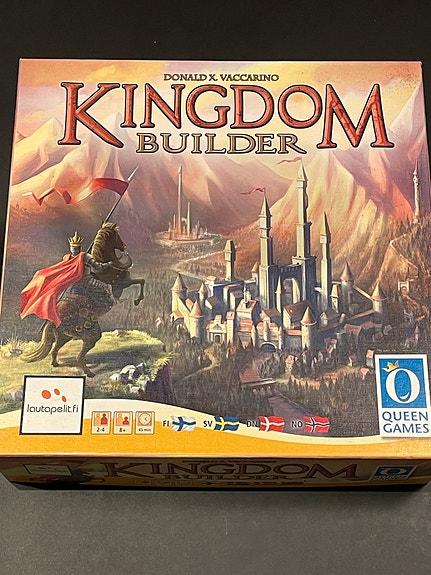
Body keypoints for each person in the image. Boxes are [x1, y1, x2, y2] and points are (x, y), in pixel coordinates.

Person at [20, 231, 116, 327]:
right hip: (88, 281)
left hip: (74, 283)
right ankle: (112, 302)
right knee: (107, 287)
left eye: (75, 248)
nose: (74, 250)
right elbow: (98, 268)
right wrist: (108, 264)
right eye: (74, 248)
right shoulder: (85, 256)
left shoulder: (66, 257)